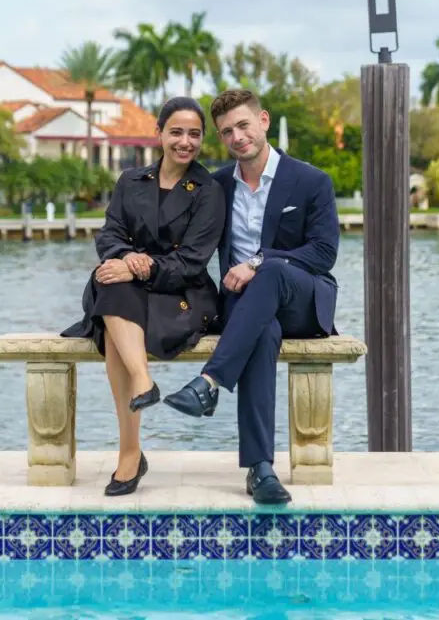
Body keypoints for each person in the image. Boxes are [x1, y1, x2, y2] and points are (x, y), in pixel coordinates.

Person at [162, 88, 340, 505]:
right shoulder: (217, 185)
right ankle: (260, 470)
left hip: (301, 297)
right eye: (226, 132)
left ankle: (209, 382)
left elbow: (323, 253)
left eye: (243, 125)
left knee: (273, 270)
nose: (237, 137)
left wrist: (258, 262)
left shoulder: (311, 181)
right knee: (262, 332)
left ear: (263, 121)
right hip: (244, 306)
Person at [61, 96, 226, 497]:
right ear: (159, 133)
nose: (185, 142)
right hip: (129, 290)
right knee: (110, 283)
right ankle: (141, 389)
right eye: (176, 132)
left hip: (182, 294)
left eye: (194, 134)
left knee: (115, 315)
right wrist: (125, 258)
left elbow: (191, 261)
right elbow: (110, 235)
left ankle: (131, 451)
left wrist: (140, 266)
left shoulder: (209, 190)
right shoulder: (130, 181)